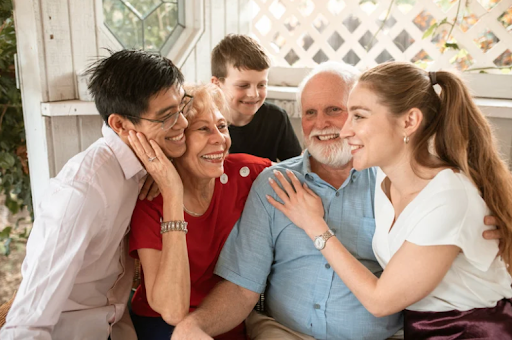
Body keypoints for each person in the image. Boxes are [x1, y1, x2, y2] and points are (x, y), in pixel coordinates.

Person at [170, 61, 505, 340]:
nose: (326, 125)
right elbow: (243, 287)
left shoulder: (400, 183)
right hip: (284, 332)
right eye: (310, 113)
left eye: (340, 112)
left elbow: (384, 298)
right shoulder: (275, 182)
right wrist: (196, 324)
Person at [267, 62, 512, 339]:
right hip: (423, 330)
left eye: (358, 116)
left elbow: (380, 301)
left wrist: (314, 225)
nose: (345, 130)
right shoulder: (385, 181)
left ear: (409, 122)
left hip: (472, 331)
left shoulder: (447, 198)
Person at [0, 50, 189, 339]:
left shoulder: (147, 163)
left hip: (119, 325)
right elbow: (27, 324)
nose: (183, 124)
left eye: (181, 107)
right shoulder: (81, 192)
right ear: (120, 125)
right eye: (167, 117)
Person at [128, 83, 272, 340]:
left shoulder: (245, 174)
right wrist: (173, 192)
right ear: (177, 139)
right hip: (163, 327)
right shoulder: (150, 201)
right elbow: (172, 311)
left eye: (222, 126)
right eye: (203, 129)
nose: (219, 139)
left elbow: (304, 171)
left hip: (222, 321)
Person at [211, 34, 302, 162]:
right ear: (217, 84)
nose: (254, 94)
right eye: (243, 85)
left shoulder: (277, 118)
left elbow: (296, 166)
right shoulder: (205, 122)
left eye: (261, 85)